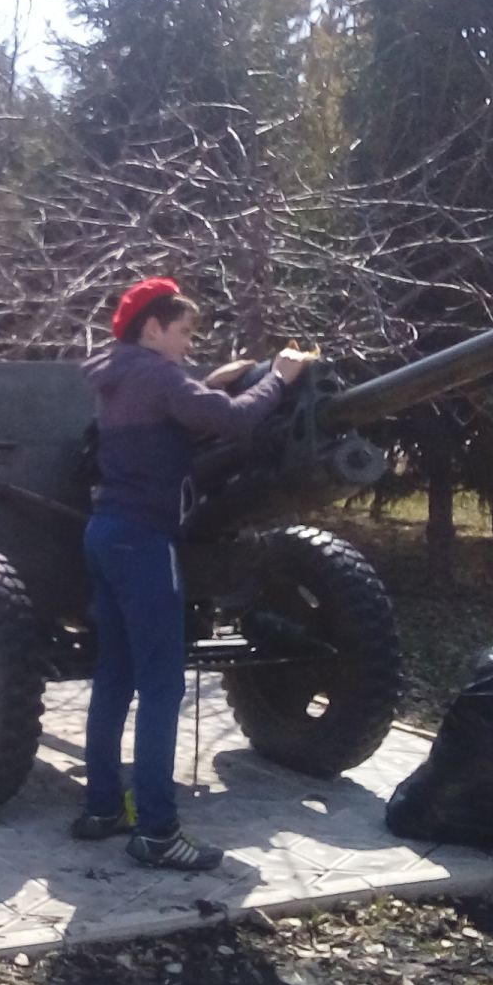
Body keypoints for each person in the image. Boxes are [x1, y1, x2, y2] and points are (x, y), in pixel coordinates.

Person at [75, 276, 315, 870]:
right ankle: (157, 832)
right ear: (152, 327)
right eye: (183, 331)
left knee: (115, 678)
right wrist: (280, 380)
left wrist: (208, 384)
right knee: (162, 685)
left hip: (105, 533)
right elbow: (233, 422)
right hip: (144, 540)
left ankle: (104, 807)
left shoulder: (120, 373)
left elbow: (180, 413)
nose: (188, 343)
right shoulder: (156, 373)